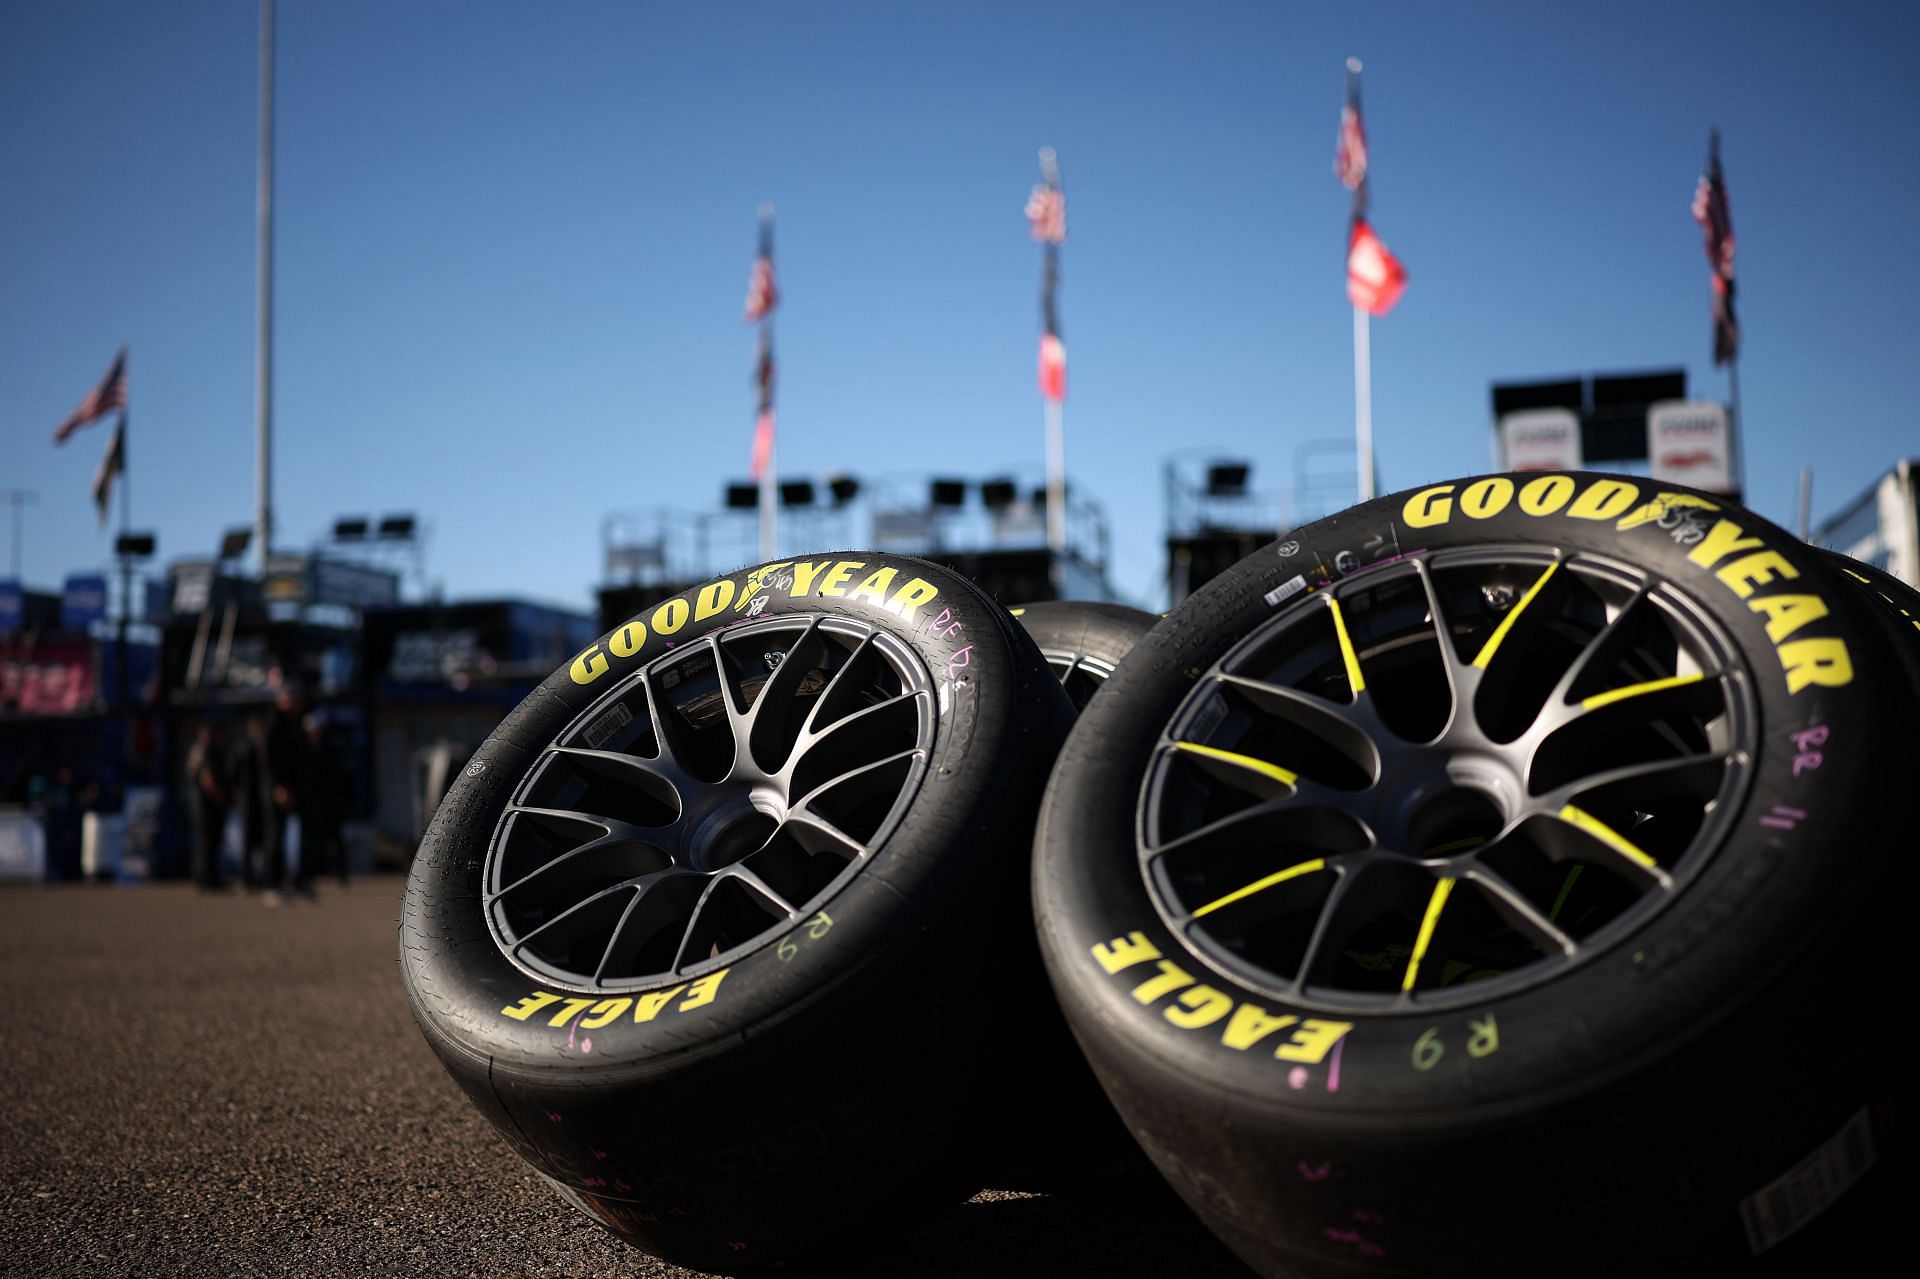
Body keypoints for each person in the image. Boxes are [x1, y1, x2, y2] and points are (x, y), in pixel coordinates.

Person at [262, 679, 313, 901]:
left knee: (301, 837)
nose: (298, 703)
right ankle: (272, 884)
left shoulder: (297, 723)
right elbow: (269, 760)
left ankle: (298, 881)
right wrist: (278, 787)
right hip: (279, 790)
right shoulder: (273, 724)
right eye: (294, 698)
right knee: (275, 837)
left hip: (298, 789)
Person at [300, 712, 348, 888]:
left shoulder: (330, 750)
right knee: (312, 841)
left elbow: (338, 778)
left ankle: (340, 874)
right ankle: (310, 875)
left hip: (331, 803)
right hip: (313, 803)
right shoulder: (306, 750)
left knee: (335, 840)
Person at [182, 720, 230, 890]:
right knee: (209, 842)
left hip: (200, 804)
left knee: (206, 842)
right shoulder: (207, 751)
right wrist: (221, 798)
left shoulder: (197, 751)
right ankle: (208, 878)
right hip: (207, 805)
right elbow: (208, 780)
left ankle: (205, 877)